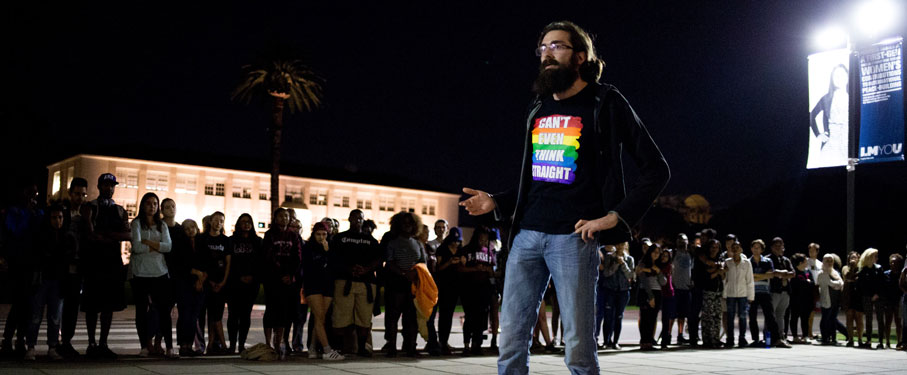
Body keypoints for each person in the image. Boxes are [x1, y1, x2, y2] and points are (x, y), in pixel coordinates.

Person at [459, 20, 669, 374]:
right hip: (526, 236)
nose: (546, 54)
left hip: (573, 239)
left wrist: (616, 216)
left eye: (557, 46)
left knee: (577, 344)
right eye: (542, 48)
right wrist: (497, 201)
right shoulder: (538, 107)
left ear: (580, 57)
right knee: (510, 338)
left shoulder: (605, 102)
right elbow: (536, 180)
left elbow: (656, 169)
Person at [81, 173, 130, 359]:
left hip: (112, 263)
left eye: (112, 185)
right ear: (99, 186)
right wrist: (112, 235)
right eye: (106, 185)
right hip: (94, 262)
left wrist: (104, 235)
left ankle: (103, 343)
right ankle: (91, 343)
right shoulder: (90, 207)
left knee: (108, 306)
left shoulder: (119, 210)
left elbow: (128, 235)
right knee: (92, 306)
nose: (109, 188)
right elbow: (89, 234)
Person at [24, 205, 74, 361]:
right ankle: (31, 346)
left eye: (60, 217)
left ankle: (52, 346)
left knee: (54, 317)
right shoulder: (41, 236)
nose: (57, 221)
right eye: (54, 217)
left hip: (58, 280)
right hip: (42, 279)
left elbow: (69, 257)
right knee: (35, 316)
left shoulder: (67, 237)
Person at [330, 209, 382, 356]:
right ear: (349, 219)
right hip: (344, 282)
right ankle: (339, 348)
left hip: (366, 283)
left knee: (364, 318)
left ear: (363, 220)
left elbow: (379, 259)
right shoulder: (340, 238)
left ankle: (361, 349)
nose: (357, 220)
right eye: (354, 217)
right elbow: (333, 258)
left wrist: (366, 269)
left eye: (360, 218)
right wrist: (348, 268)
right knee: (340, 317)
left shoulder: (370, 240)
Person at [0, 183, 43, 358]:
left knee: (28, 305)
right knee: (20, 303)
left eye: (35, 193)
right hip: (18, 263)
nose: (32, 196)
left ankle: (18, 340)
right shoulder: (15, 212)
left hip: (33, 264)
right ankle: (9, 340)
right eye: (29, 193)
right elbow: (14, 231)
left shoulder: (37, 213)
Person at [129, 192, 175, 358]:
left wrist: (147, 242)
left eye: (155, 204)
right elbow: (136, 247)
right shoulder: (136, 223)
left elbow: (168, 246)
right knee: (141, 311)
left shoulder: (161, 225)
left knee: (164, 311)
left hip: (160, 272)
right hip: (140, 273)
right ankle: (144, 346)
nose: (152, 206)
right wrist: (157, 245)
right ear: (142, 205)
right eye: (149, 203)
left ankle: (169, 347)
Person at [381, 212, 426, 357]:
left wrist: (416, 274)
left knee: (411, 318)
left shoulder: (418, 243)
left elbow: (422, 262)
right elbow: (389, 262)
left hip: (412, 285)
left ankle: (411, 347)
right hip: (396, 284)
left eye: (410, 223)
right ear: (398, 225)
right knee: (393, 317)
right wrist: (403, 273)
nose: (407, 226)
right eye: (404, 223)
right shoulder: (393, 242)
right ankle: (392, 347)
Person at [261, 208, 302, 360]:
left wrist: (290, 274)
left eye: (286, 216)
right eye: (280, 216)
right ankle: (267, 343)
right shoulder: (269, 234)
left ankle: (278, 343)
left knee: (283, 312)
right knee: (271, 310)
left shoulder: (294, 236)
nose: (284, 218)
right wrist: (280, 274)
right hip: (272, 279)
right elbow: (269, 256)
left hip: (288, 280)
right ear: (275, 218)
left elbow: (297, 257)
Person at [301, 222, 343, 360]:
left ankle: (312, 348)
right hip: (313, 285)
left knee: (321, 319)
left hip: (327, 285)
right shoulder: (308, 247)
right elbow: (307, 267)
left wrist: (328, 251)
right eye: (318, 234)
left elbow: (336, 266)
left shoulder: (331, 246)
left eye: (324, 234)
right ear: (313, 234)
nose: (321, 237)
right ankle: (327, 350)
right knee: (319, 317)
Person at [57, 178, 89, 359]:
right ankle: (56, 343)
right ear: (70, 193)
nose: (80, 198)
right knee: (57, 306)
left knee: (72, 306)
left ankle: (66, 341)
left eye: (83, 194)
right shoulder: (63, 213)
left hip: (79, 267)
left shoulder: (84, 216)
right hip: (62, 266)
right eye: (77, 194)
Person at [196, 211, 232, 354]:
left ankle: (212, 344)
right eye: (216, 220)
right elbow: (201, 261)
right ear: (210, 221)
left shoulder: (225, 240)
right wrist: (209, 281)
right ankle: (219, 345)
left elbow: (228, 263)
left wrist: (223, 282)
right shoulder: (202, 238)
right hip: (206, 282)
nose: (218, 223)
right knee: (206, 315)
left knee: (216, 315)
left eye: (221, 221)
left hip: (221, 284)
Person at [227, 214, 262, 354]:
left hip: (251, 284)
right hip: (234, 283)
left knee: (245, 315)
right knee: (233, 315)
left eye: (249, 222)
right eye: (243, 222)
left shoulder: (258, 241)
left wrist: (253, 277)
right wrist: (239, 276)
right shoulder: (231, 241)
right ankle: (232, 345)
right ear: (238, 224)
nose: (246, 224)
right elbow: (230, 263)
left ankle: (241, 345)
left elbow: (261, 263)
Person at [459, 226, 496, 356]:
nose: (483, 242)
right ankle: (466, 345)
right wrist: (475, 269)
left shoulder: (489, 252)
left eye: (485, 239)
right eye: (481, 239)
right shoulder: (466, 250)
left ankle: (477, 345)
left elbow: (492, 271)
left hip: (484, 288)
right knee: (470, 317)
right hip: (469, 288)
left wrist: (488, 271)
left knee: (481, 318)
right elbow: (460, 269)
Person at [748, 239, 788, 348]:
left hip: (765, 292)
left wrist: (756, 276)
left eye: (758, 248)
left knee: (770, 316)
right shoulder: (748, 262)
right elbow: (748, 277)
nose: (756, 250)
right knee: (752, 317)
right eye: (754, 247)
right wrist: (763, 275)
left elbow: (771, 275)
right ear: (751, 249)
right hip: (752, 292)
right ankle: (755, 339)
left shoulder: (767, 261)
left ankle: (776, 339)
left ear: (762, 249)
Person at [809, 64, 849, 167]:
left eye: (842, 75)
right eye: (836, 76)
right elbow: (810, 116)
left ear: (847, 76)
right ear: (832, 79)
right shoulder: (826, 99)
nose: (839, 78)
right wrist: (818, 134)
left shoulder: (854, 97)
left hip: (849, 145)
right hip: (831, 146)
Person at [596, 242, 633, 350]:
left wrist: (623, 264)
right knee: (608, 316)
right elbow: (606, 273)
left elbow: (631, 275)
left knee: (618, 316)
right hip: (610, 290)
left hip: (623, 291)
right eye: (618, 244)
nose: (620, 247)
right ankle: (606, 341)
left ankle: (615, 341)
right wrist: (616, 264)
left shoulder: (629, 259)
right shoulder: (609, 257)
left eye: (622, 245)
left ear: (625, 246)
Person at [435, 228, 464, 355]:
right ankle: (442, 341)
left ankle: (444, 341)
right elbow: (438, 268)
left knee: (449, 314)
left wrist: (461, 262)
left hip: (456, 285)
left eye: (457, 241)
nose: (455, 244)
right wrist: (450, 262)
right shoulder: (442, 249)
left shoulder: (461, 250)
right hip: (444, 285)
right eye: (453, 241)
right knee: (444, 314)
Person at [723, 241, 753, 348]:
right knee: (730, 317)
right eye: (733, 248)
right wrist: (724, 294)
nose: (735, 250)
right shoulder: (727, 262)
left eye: (737, 247)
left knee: (742, 317)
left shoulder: (746, 263)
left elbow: (749, 280)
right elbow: (725, 279)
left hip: (742, 293)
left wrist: (751, 296)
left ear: (741, 249)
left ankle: (742, 338)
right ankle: (730, 339)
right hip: (730, 293)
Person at [636, 244, 664, 351]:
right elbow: (644, 281)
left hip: (657, 292)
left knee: (652, 318)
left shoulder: (659, 265)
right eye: (654, 251)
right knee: (645, 318)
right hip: (646, 292)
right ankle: (644, 342)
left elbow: (663, 282)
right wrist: (651, 297)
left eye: (658, 252)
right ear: (650, 252)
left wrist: (659, 272)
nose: (656, 254)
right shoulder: (642, 264)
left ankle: (649, 342)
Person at [768, 237, 794, 345]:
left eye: (780, 246)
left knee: (781, 315)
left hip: (785, 291)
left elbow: (793, 273)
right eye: (776, 246)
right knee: (770, 316)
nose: (778, 248)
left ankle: (781, 337)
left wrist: (782, 274)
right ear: (772, 247)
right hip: (774, 291)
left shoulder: (786, 260)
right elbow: (772, 273)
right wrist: (783, 274)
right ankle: (769, 339)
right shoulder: (768, 259)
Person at [857, 248, 885, 349]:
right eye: (875, 256)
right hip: (867, 297)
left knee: (880, 319)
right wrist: (869, 295)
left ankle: (881, 341)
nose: (877, 258)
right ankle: (868, 340)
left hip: (878, 297)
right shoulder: (863, 271)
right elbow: (862, 286)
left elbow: (882, 283)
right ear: (869, 257)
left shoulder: (879, 268)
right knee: (868, 319)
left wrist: (877, 294)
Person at [699, 239, 725, 348]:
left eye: (716, 247)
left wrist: (718, 271)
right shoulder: (706, 260)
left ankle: (716, 339)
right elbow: (706, 277)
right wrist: (717, 271)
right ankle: (707, 340)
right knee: (708, 316)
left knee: (717, 316)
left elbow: (723, 275)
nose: (714, 249)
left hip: (719, 291)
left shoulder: (720, 259)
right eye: (712, 247)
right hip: (708, 290)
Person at [817, 253, 845, 345]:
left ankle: (833, 337)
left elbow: (841, 283)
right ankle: (825, 337)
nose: (829, 263)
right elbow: (830, 283)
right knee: (825, 319)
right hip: (827, 300)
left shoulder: (835, 272)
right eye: (827, 261)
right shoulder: (822, 273)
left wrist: (836, 285)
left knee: (833, 319)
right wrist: (837, 285)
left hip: (835, 300)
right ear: (823, 261)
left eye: (831, 261)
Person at [671, 233, 693, 345]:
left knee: (683, 314)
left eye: (684, 240)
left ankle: (680, 335)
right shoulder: (673, 253)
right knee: (672, 314)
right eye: (680, 240)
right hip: (675, 288)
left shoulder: (690, 254)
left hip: (686, 288)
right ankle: (668, 334)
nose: (683, 242)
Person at [788, 253, 815, 344]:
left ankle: (805, 335)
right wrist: (806, 283)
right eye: (805, 261)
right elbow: (795, 285)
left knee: (805, 318)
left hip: (807, 300)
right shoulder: (794, 273)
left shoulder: (807, 272)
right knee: (794, 318)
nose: (807, 262)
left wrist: (807, 283)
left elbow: (812, 283)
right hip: (795, 300)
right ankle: (795, 336)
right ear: (800, 263)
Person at [842, 251, 864, 347]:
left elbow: (860, 279)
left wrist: (854, 275)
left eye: (855, 257)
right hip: (848, 295)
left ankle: (860, 339)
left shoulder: (861, 268)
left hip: (858, 295)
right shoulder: (845, 268)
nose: (853, 259)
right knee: (849, 317)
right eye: (851, 257)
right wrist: (852, 268)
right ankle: (850, 339)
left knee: (859, 317)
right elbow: (847, 276)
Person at [883, 254, 904, 349]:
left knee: (898, 322)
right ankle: (887, 341)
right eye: (891, 262)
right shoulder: (886, 274)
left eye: (895, 262)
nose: (892, 264)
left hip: (898, 301)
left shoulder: (902, 275)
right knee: (887, 322)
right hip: (888, 301)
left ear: (899, 264)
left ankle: (899, 341)